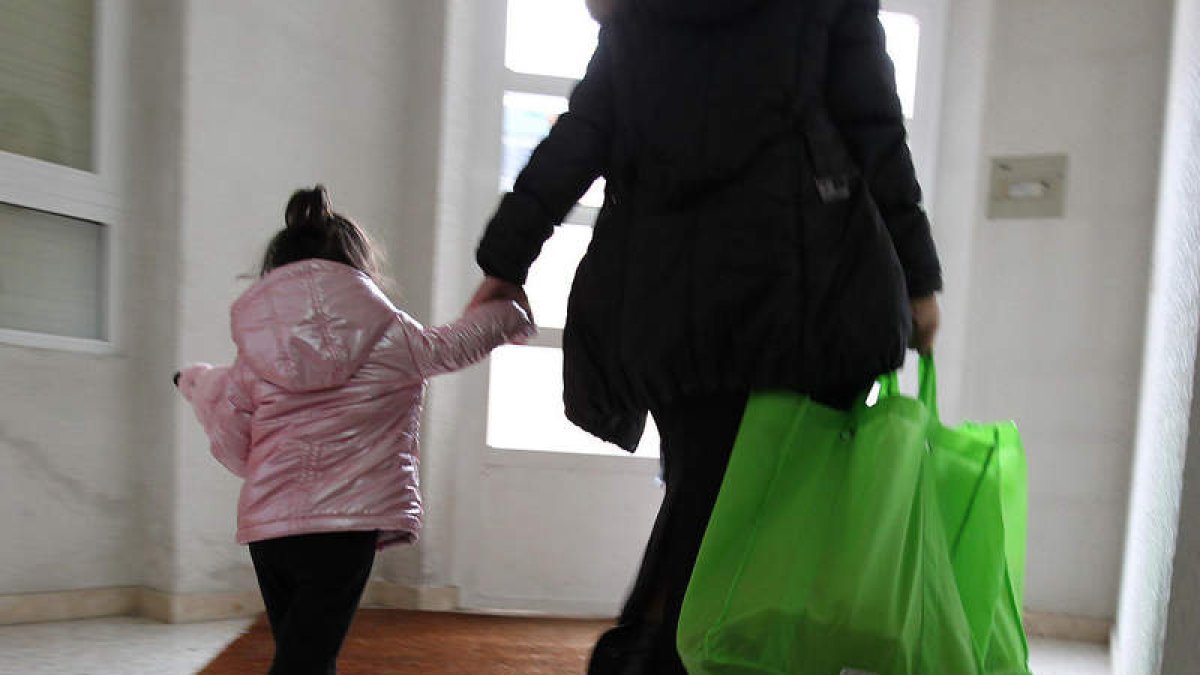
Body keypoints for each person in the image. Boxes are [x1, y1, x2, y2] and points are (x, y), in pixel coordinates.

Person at [470, 0, 943, 671]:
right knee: (778, 516)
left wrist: (506, 259)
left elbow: (581, 135)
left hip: (675, 312)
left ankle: (657, 650)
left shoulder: (640, 19)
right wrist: (919, 277)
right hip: (806, 303)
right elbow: (876, 131)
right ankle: (672, 654)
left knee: (703, 493)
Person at [176, 185, 534, 675]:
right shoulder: (395, 336)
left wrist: (193, 381)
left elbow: (233, 419)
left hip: (270, 528)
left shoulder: (257, 353)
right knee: (307, 656)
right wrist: (505, 306)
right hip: (344, 528)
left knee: (301, 652)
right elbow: (455, 344)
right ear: (357, 269)